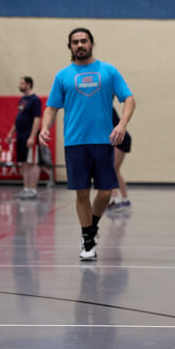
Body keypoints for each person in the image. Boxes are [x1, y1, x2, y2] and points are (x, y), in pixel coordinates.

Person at [39, 28, 135, 261]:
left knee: (105, 192)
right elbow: (52, 107)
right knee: (82, 193)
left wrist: (121, 124)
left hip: (103, 141)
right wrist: (45, 127)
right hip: (75, 143)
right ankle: (88, 239)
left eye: (84, 41)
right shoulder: (63, 76)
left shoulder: (108, 71)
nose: (80, 45)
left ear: (91, 43)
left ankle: (91, 228)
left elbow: (129, 99)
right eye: (75, 42)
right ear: (70, 46)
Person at [6, 76, 43, 200]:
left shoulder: (35, 100)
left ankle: (33, 190)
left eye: (22, 83)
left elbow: (37, 119)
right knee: (24, 163)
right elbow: (19, 118)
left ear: (28, 84)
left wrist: (32, 137)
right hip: (20, 135)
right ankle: (26, 188)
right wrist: (11, 133)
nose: (20, 85)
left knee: (32, 163)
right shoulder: (22, 100)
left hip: (29, 135)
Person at [108, 105, 133, 209]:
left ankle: (115, 199)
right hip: (120, 138)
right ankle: (125, 199)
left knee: (111, 170)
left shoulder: (105, 107)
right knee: (115, 170)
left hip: (119, 138)